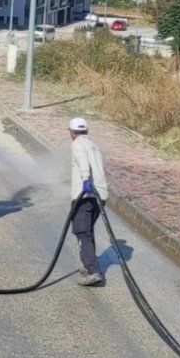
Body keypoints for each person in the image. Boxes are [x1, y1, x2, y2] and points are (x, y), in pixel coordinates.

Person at [68, 117, 109, 287]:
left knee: (82, 232)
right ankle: (89, 265)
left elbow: (83, 163)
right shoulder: (94, 145)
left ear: (71, 132)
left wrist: (85, 180)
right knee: (88, 230)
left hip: (85, 195)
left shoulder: (77, 144)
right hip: (100, 195)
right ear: (87, 131)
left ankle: (93, 271)